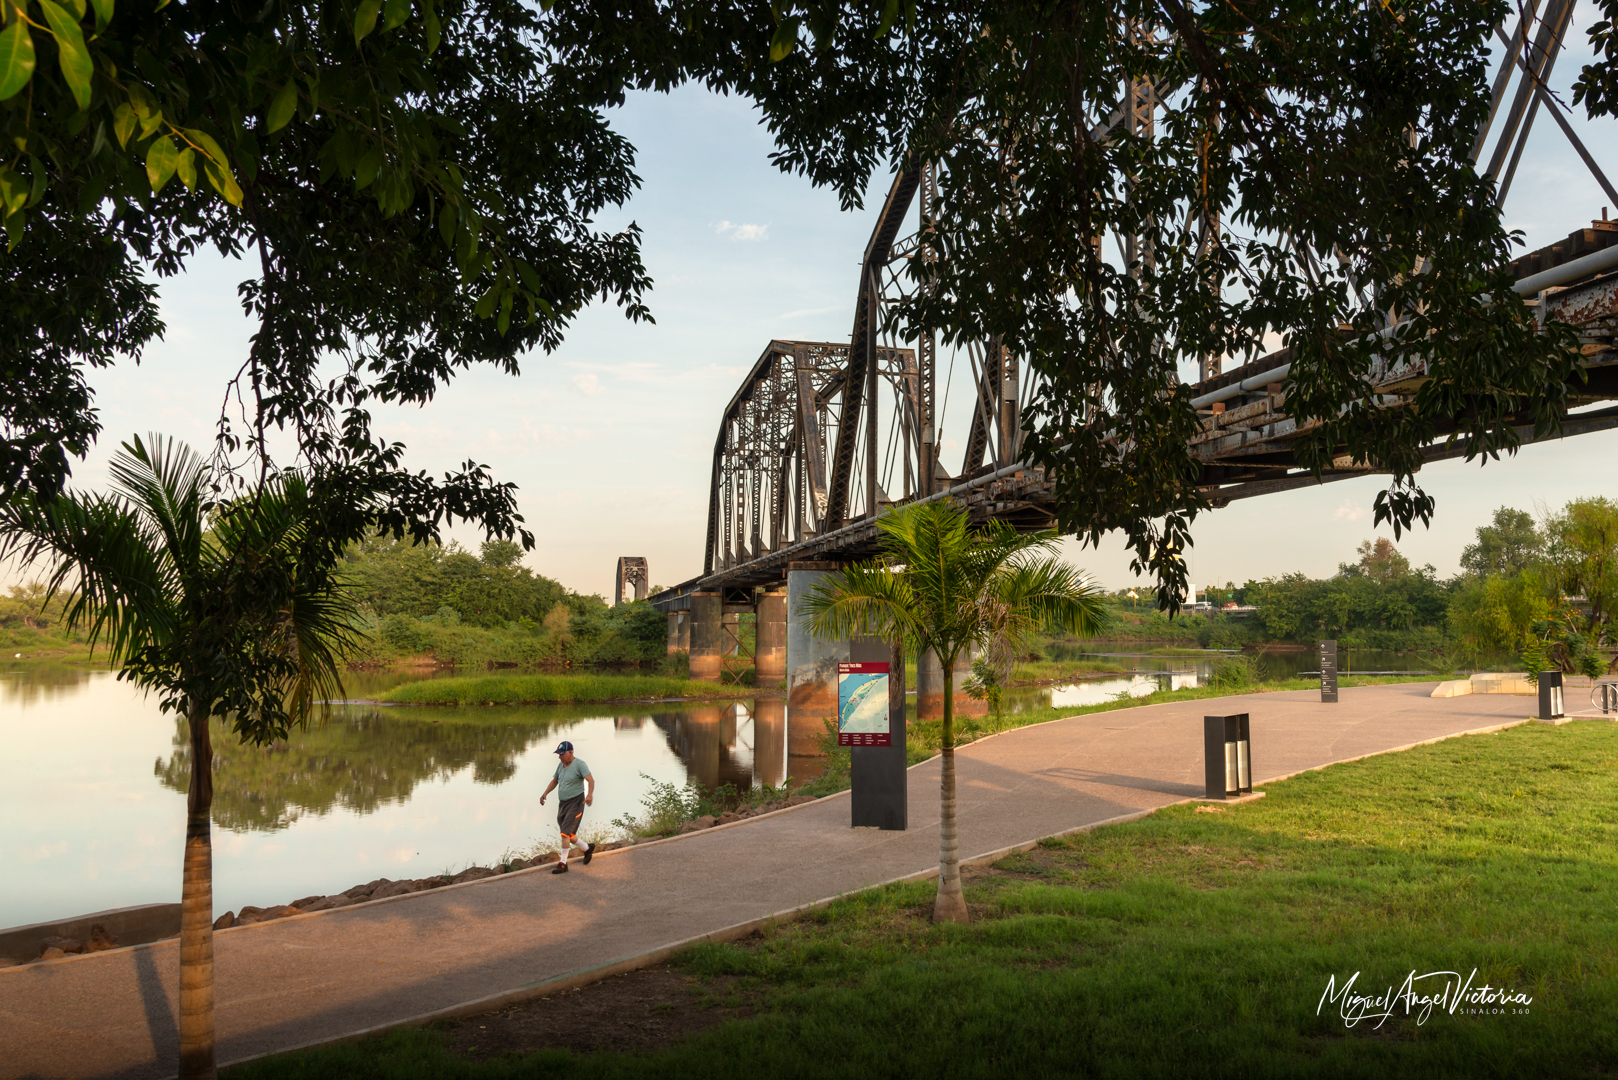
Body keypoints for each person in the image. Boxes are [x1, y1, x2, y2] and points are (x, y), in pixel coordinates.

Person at [539, 740, 595, 874]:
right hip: (563, 803)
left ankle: (563, 863)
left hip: (576, 803)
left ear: (570, 752)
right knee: (568, 834)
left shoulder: (579, 765)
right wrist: (545, 793)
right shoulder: (561, 765)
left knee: (564, 833)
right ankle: (587, 848)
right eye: (558, 754)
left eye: (562, 754)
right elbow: (555, 781)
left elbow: (590, 780)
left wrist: (589, 795)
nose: (559, 757)